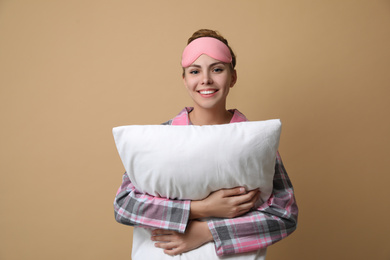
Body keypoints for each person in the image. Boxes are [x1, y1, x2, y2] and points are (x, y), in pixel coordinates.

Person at [114, 29, 298, 259]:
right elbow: (124, 206)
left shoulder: (256, 140)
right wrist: (201, 209)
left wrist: (206, 232)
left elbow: (284, 215)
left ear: (233, 77)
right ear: (184, 79)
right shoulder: (159, 138)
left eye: (217, 69)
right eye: (194, 71)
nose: (206, 80)